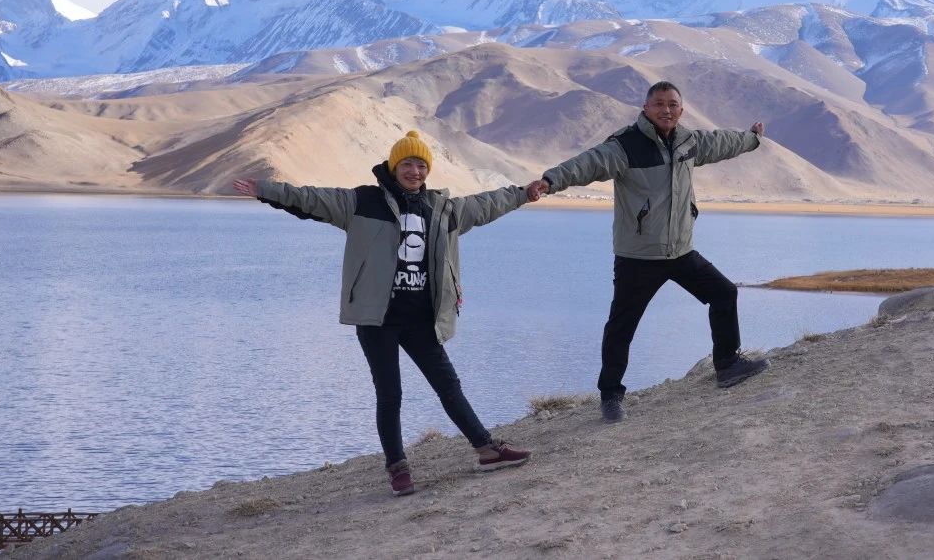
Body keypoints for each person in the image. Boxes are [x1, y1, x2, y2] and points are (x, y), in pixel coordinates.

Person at [233, 130, 534, 497]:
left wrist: (523, 194)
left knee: (448, 385)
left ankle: (487, 449)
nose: (415, 171)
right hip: (377, 317)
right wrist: (265, 190)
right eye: (407, 163)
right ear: (394, 165)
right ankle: (398, 468)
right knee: (390, 393)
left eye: (421, 164)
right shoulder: (364, 202)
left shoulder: (443, 209)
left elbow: (488, 204)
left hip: (422, 317)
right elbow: (310, 199)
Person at [527, 81, 768, 422]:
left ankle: (727, 365)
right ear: (645, 108)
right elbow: (587, 163)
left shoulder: (689, 141)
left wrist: (752, 138)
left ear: (681, 110)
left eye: (672, 104)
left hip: (680, 252)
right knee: (622, 327)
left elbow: (722, 143)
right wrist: (550, 180)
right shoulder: (625, 145)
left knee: (724, 293)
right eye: (659, 104)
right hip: (638, 256)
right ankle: (610, 396)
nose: (666, 110)